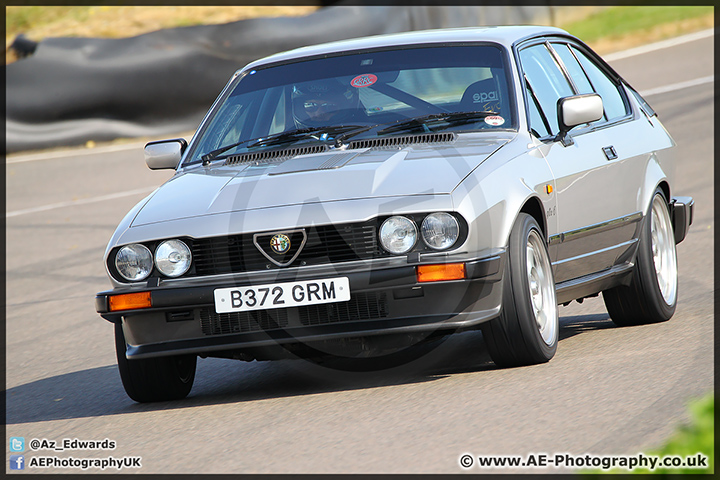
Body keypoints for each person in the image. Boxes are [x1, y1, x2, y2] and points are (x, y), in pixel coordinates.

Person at [292, 78, 363, 127]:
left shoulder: (365, 130)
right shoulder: (289, 138)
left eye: (328, 107)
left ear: (341, 109)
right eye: (311, 106)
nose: (318, 114)